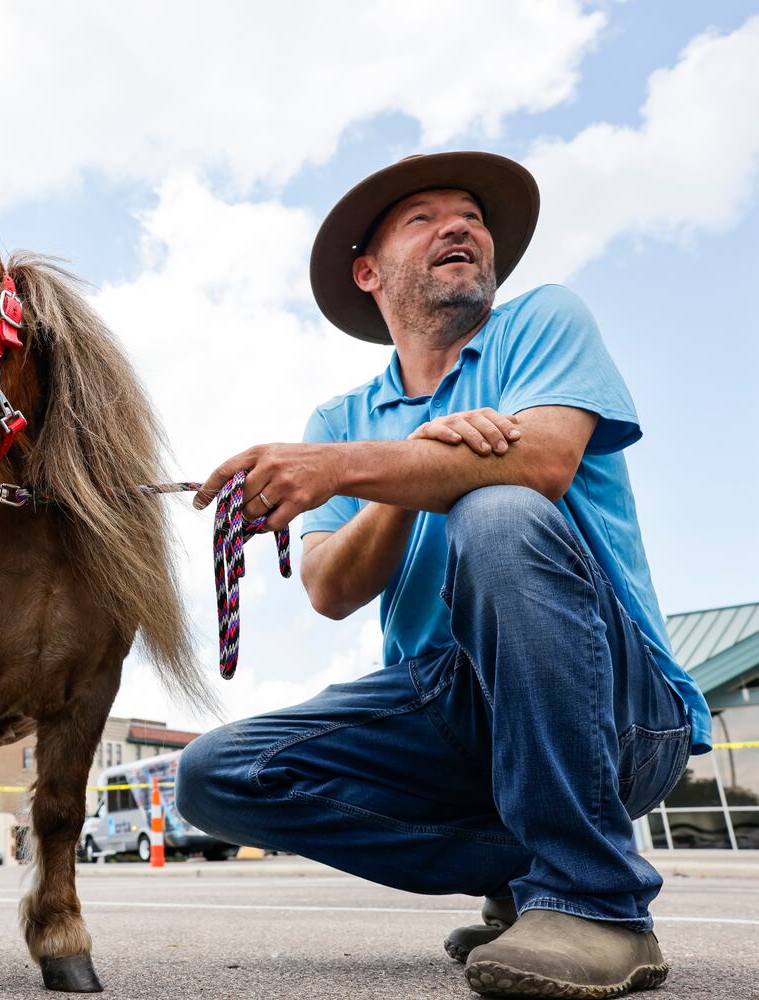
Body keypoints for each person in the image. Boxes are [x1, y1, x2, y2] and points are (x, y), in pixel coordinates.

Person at [176, 152, 708, 998]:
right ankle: (536, 871)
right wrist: (396, 474)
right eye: (421, 217)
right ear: (368, 273)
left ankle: (594, 902)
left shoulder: (540, 322)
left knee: (497, 511)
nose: (459, 224)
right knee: (213, 775)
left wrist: (362, 468)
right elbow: (328, 588)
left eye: (469, 213)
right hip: (444, 705)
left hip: (616, 710)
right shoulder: (341, 421)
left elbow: (541, 463)